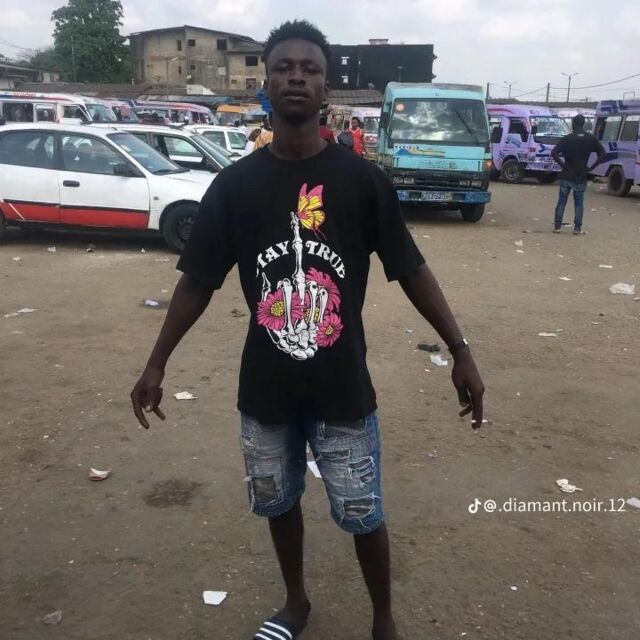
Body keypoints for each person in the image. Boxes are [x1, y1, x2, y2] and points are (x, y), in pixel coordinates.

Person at [131, 19, 484, 640]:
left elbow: (411, 269)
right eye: (284, 67)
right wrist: (156, 362)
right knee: (278, 502)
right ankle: (295, 603)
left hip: (342, 389)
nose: (296, 76)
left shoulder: (362, 180)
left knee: (362, 512)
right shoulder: (235, 186)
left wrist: (460, 349)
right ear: (266, 83)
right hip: (265, 391)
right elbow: (196, 282)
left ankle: (383, 619)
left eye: (310, 69)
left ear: (326, 89)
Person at [551, 114, 606, 235]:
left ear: (573, 124)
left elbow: (554, 153)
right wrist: (592, 167)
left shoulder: (567, 138)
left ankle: (557, 226)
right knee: (579, 203)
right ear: (583, 124)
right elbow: (603, 153)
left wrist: (563, 165)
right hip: (581, 175)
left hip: (566, 174)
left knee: (562, 201)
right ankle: (577, 228)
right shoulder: (590, 138)